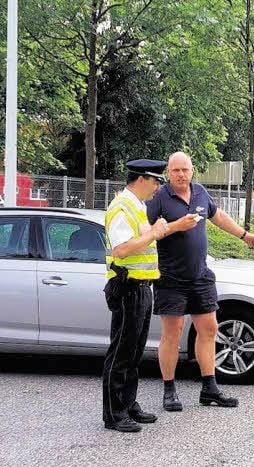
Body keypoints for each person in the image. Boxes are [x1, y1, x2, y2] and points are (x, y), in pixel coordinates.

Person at [147, 151, 254, 412]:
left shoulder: (200, 192)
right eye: (176, 170)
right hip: (170, 277)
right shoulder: (158, 197)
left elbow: (218, 216)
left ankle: (209, 388)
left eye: (185, 169)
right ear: (168, 172)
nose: (181, 174)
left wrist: (244, 235)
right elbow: (146, 233)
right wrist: (177, 225)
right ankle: (169, 391)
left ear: (192, 171)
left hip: (200, 275)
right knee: (173, 333)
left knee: (209, 329)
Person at [101, 159, 170, 433]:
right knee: (121, 352)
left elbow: (144, 242)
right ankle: (114, 413)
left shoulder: (138, 206)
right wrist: (153, 232)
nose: (157, 188)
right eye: (155, 182)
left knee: (134, 352)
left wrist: (161, 230)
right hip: (128, 287)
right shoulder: (121, 207)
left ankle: (128, 404)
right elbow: (121, 249)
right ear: (142, 179)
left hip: (142, 287)